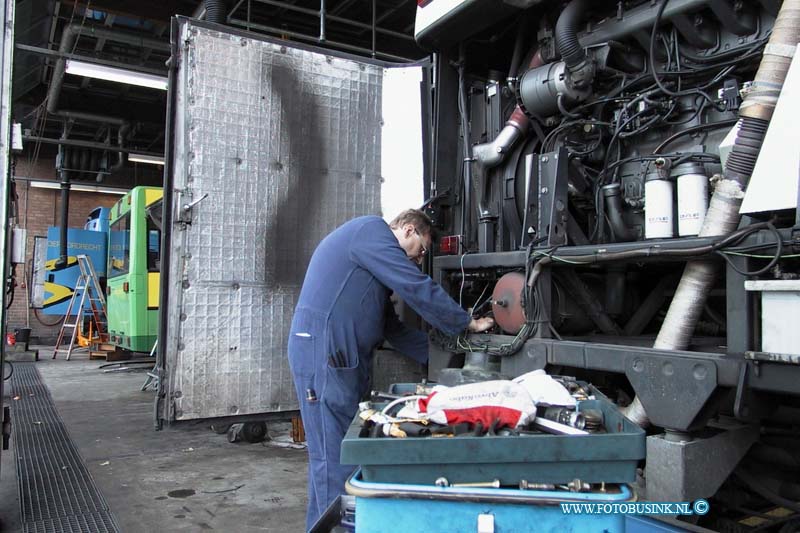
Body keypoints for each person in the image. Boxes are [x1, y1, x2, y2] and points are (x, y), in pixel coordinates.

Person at [287, 209, 494, 530]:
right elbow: (413, 284)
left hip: (340, 358)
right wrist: (464, 322)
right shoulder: (370, 231)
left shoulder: (371, 263)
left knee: (345, 453)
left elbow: (392, 329)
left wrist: (449, 355)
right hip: (323, 354)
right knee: (335, 458)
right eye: (422, 250)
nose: (420, 259)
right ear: (408, 230)